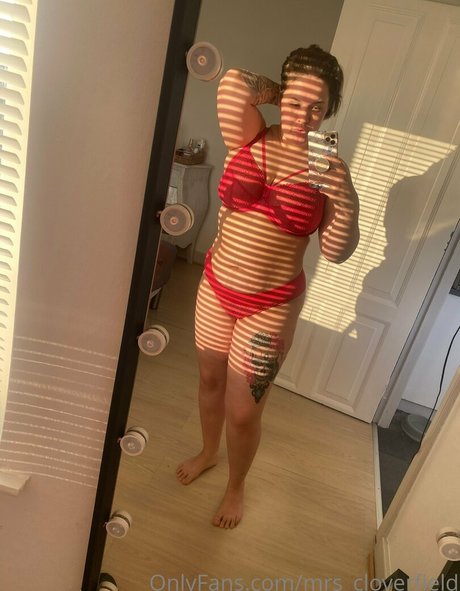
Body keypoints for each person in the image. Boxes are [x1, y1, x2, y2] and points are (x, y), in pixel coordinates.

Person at [176, 45, 360, 529]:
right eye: (296, 102)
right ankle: (208, 452)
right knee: (209, 381)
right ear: (280, 95)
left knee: (243, 412)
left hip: (270, 307)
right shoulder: (250, 134)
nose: (304, 116)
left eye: (317, 107)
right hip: (216, 288)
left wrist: (345, 196)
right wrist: (289, 94)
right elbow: (233, 82)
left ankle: (236, 486)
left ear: (331, 109)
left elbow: (337, 251)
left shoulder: (327, 171)